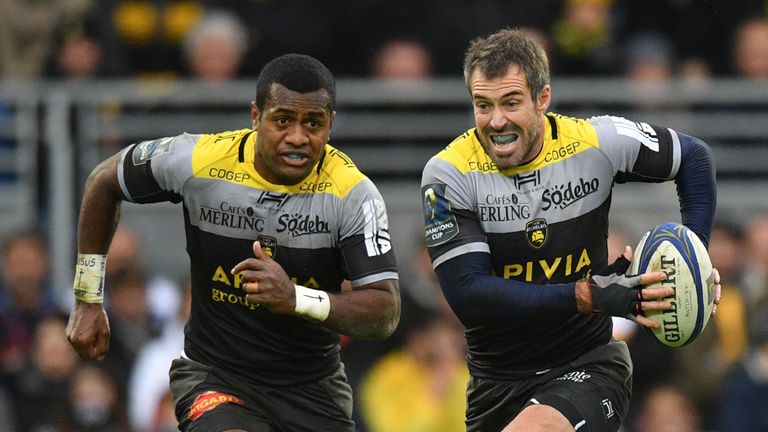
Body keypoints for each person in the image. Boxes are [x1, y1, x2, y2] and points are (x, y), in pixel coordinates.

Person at [66, 53, 401, 431]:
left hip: (312, 390)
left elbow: (385, 311)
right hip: (216, 377)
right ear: (256, 116)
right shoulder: (197, 161)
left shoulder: (353, 195)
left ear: (331, 124)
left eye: (313, 123)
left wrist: (294, 298)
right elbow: (103, 181)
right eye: (283, 120)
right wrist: (87, 297)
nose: (297, 137)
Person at [420, 28, 720, 432]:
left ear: (543, 98)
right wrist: (587, 296)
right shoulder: (446, 175)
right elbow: (469, 294)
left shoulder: (596, 141)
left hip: (589, 365)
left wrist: (695, 259)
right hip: (496, 383)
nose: (496, 121)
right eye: (482, 105)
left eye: (510, 103)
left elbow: (694, 158)